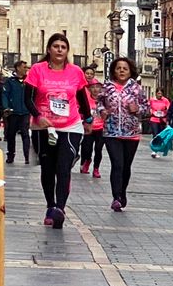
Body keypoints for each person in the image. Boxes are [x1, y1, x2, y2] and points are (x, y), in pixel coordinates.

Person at [25, 33, 91, 229]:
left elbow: (82, 99)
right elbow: (27, 99)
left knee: (63, 167)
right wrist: (38, 115)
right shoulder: (37, 70)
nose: (60, 49)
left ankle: (60, 209)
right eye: (56, 46)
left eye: (63, 46)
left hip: (70, 125)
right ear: (49, 49)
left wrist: (88, 119)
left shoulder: (75, 72)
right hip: (44, 126)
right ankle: (50, 205)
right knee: (48, 168)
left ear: (67, 51)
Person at [97, 57, 150, 211]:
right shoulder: (107, 87)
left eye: (125, 68)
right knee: (117, 164)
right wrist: (102, 111)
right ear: (113, 70)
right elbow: (98, 103)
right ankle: (116, 197)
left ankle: (122, 192)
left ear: (130, 71)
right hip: (111, 132)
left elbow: (146, 108)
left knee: (126, 166)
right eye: (118, 68)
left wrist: (137, 110)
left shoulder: (136, 88)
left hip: (131, 133)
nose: (121, 71)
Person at [0, 69, 32, 164]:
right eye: (24, 67)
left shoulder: (29, 81)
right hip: (13, 112)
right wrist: (6, 107)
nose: (26, 69)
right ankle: (11, 155)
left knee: (25, 134)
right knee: (11, 134)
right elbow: (5, 95)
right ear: (18, 68)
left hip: (25, 112)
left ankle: (27, 156)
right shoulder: (10, 81)